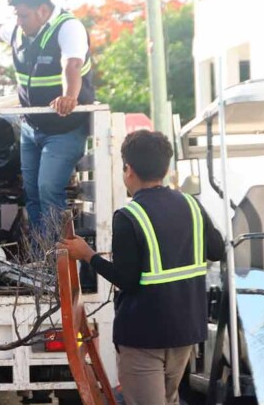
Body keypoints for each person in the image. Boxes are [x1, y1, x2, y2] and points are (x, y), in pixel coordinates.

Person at [58, 130, 225, 405]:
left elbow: (127, 280)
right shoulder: (192, 205)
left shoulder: (129, 216)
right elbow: (216, 250)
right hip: (185, 331)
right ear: (166, 167)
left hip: (145, 334)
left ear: (129, 170)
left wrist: (88, 255)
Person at [0, 0, 95, 232]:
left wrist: (69, 96)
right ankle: (40, 251)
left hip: (64, 129)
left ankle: (57, 258)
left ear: (43, 11)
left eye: (24, 15)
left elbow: (72, 64)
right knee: (32, 192)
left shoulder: (68, 28)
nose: (19, 21)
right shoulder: (18, 30)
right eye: (17, 16)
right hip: (31, 128)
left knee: (48, 188)